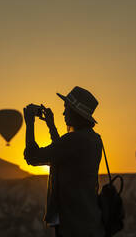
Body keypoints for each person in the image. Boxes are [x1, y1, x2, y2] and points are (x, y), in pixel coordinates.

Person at [23, 86, 106, 237]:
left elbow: (32, 157)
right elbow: (62, 154)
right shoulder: (94, 139)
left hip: (72, 224)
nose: (63, 112)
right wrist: (51, 125)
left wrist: (29, 123)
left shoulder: (74, 140)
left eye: (66, 108)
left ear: (75, 112)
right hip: (89, 219)